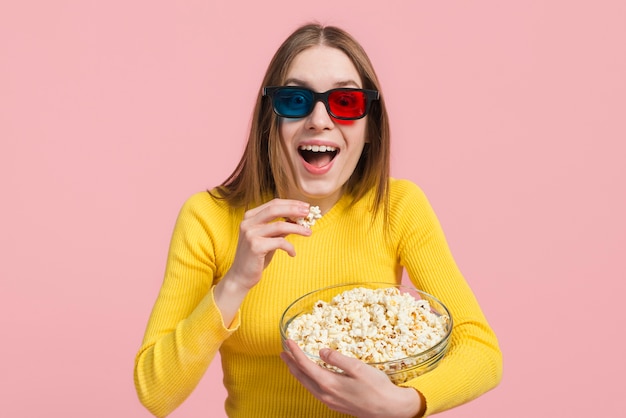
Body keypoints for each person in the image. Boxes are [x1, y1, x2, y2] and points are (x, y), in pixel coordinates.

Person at [134, 23, 502, 418]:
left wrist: (404, 404)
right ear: (269, 121)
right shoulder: (209, 218)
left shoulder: (397, 206)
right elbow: (156, 392)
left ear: (370, 128)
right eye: (295, 100)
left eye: (345, 102)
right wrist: (236, 282)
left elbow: (480, 351)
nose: (319, 120)